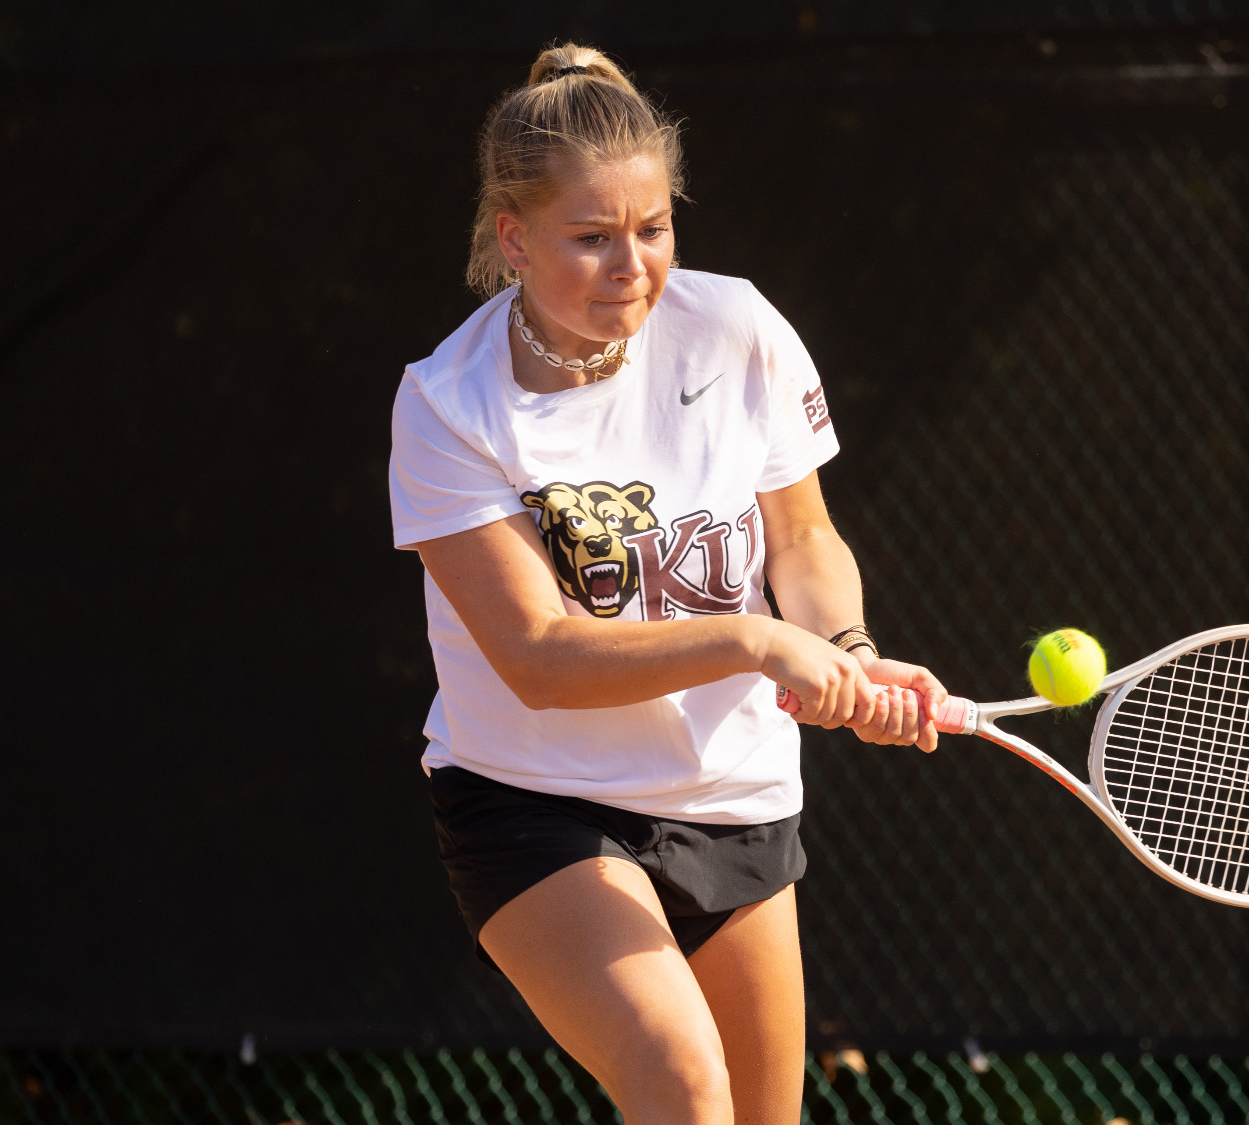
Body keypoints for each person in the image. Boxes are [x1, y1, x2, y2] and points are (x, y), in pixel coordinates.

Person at [387, 41, 948, 1125]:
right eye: (590, 239)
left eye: (652, 230)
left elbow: (803, 542)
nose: (632, 266)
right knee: (680, 1079)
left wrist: (848, 652)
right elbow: (538, 659)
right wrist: (756, 643)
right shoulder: (447, 405)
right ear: (513, 238)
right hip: (535, 802)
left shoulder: (735, 329)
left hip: (733, 798)